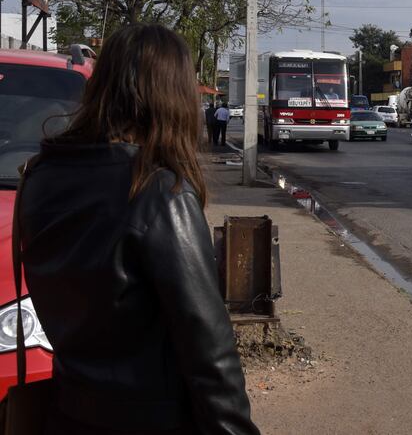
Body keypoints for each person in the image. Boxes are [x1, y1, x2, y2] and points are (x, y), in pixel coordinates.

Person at [17, 24, 260, 435]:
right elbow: (210, 356)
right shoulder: (158, 192)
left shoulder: (39, 176)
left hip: (68, 410)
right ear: (173, 97)